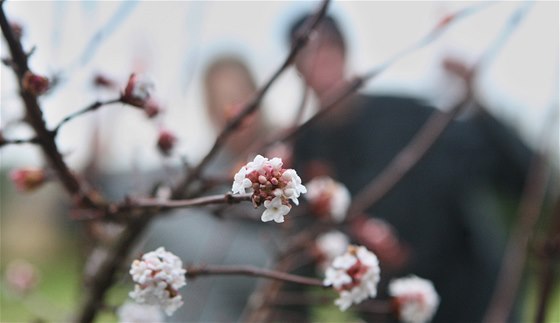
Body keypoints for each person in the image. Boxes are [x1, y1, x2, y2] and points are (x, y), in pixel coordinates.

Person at [287, 14, 531, 322]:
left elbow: (520, 173)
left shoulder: (410, 116)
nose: (320, 60)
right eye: (306, 52)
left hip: (475, 300)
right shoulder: (301, 154)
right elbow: (301, 248)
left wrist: (475, 98)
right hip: (392, 312)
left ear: (345, 50)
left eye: (328, 47)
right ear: (295, 68)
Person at [145, 55, 276, 322]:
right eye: (219, 104)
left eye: (239, 99)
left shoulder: (285, 166)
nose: (232, 113)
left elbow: (274, 265)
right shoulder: (204, 173)